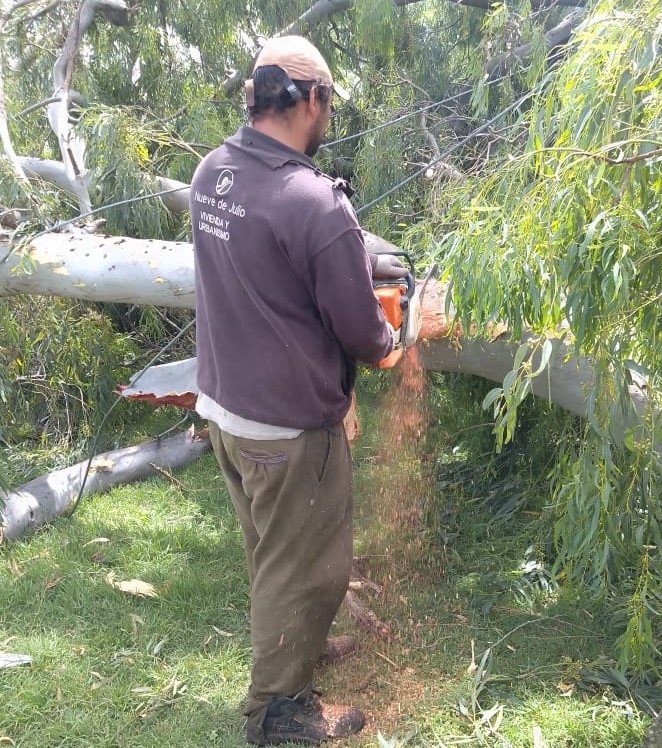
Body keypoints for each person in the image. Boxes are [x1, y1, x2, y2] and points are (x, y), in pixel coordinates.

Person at [190, 35, 407, 745]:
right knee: (309, 568)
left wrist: (345, 258)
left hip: (225, 408)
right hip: (286, 429)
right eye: (329, 102)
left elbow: (267, 272)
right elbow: (362, 335)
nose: (329, 114)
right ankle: (275, 716)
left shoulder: (212, 173)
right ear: (310, 98)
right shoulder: (315, 204)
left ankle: (298, 655)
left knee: (270, 554)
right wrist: (396, 337)